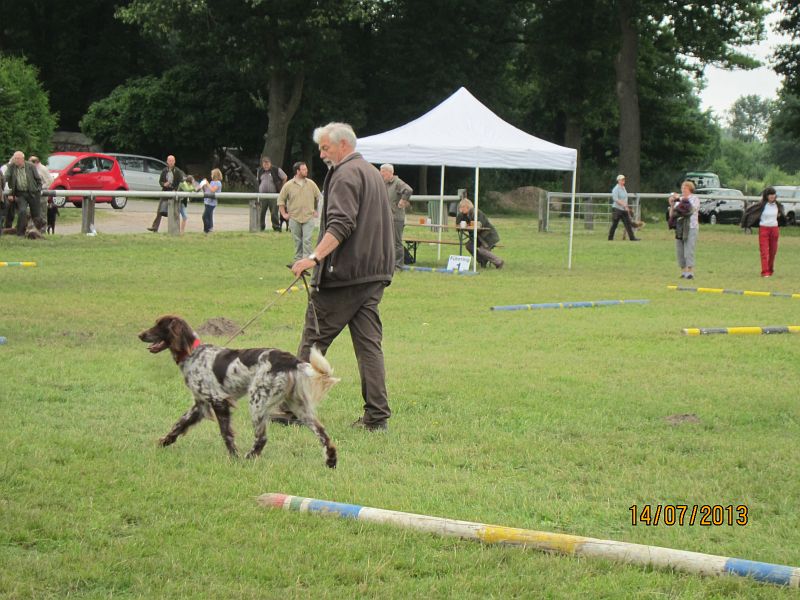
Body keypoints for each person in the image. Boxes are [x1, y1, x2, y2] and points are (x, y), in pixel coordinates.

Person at [284, 122, 394, 432]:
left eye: (325, 148)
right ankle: (377, 417)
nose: (321, 155)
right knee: (369, 346)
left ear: (343, 145)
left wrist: (313, 257)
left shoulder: (345, 174)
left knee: (313, 340)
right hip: (373, 274)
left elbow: (341, 224)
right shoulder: (372, 172)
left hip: (345, 275)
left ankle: (293, 409)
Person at [278, 161, 322, 261]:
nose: (306, 171)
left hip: (308, 217)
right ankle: (298, 261)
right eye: (304, 169)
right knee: (297, 241)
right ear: (298, 171)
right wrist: (284, 214)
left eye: (306, 169)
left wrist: (317, 210)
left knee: (307, 240)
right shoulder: (288, 185)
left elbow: (319, 197)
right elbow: (280, 200)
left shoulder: (311, 184)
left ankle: (307, 261)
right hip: (294, 218)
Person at [741, 186, 786, 277]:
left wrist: (780, 216)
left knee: (773, 252)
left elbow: (782, 215)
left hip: (774, 229)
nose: (772, 196)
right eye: (770, 194)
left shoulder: (778, 205)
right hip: (764, 229)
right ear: (766, 196)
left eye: (773, 194)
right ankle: (765, 272)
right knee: (764, 251)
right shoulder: (761, 205)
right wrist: (746, 224)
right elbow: (749, 212)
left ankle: (770, 269)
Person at [454, 198, 504, 269]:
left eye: (462, 207)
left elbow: (480, 225)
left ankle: (498, 261)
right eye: (460, 207)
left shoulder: (477, 212)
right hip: (477, 237)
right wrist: (460, 214)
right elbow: (457, 225)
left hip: (488, 236)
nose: (461, 209)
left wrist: (469, 225)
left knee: (482, 250)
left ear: (467, 206)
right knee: (469, 245)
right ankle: (482, 260)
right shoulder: (463, 215)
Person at [380, 164, 413, 271]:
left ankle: (398, 266)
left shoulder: (397, 182)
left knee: (396, 242)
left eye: (383, 171)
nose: (381, 173)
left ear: (390, 172)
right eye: (381, 171)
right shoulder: (384, 183)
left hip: (396, 218)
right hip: (385, 218)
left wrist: (403, 200)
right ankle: (387, 264)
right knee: (385, 242)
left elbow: (408, 190)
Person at [5, 151, 44, 236]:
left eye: (17, 158)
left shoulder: (31, 166)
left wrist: (38, 190)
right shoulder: (11, 167)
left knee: (36, 214)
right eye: (15, 158)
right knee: (22, 211)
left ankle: (38, 233)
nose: (15, 160)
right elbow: (6, 177)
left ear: (22, 159)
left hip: (33, 193)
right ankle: (20, 233)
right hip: (20, 194)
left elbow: (38, 180)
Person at [668, 180, 700, 279]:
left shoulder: (695, 199)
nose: (683, 190)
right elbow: (672, 214)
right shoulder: (679, 199)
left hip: (691, 227)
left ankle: (690, 272)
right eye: (682, 188)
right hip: (680, 227)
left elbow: (690, 210)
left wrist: (681, 200)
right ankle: (683, 271)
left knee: (689, 249)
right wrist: (672, 204)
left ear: (690, 189)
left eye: (685, 188)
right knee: (680, 250)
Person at [148, 155, 185, 232]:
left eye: (172, 161)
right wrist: (164, 184)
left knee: (174, 212)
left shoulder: (178, 171)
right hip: (165, 192)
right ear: (167, 161)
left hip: (174, 193)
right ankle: (155, 227)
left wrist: (175, 189)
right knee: (159, 210)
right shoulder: (164, 170)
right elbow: (160, 181)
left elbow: (181, 182)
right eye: (169, 161)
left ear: (174, 162)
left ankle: (175, 229)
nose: (171, 162)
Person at [256, 156, 287, 232]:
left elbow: (285, 177)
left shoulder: (276, 170)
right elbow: (258, 180)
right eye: (264, 164)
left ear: (270, 163)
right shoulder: (259, 171)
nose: (266, 165)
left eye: (267, 163)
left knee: (274, 212)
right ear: (262, 164)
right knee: (261, 212)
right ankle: (261, 227)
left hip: (273, 195)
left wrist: (282, 188)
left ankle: (276, 227)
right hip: (262, 195)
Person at [608, 174, 640, 241]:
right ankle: (610, 238)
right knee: (614, 225)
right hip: (617, 209)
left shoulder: (624, 188)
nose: (623, 180)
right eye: (622, 179)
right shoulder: (616, 189)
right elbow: (616, 199)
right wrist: (624, 205)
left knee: (628, 224)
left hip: (623, 209)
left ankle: (632, 238)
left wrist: (626, 207)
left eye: (624, 179)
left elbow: (625, 199)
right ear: (618, 180)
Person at [201, 169, 223, 234]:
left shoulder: (218, 183)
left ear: (215, 175)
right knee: (209, 216)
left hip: (212, 203)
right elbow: (207, 190)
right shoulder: (212, 182)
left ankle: (206, 230)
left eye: (212, 174)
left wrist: (207, 183)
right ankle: (210, 229)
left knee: (204, 216)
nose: (211, 175)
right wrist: (204, 185)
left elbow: (213, 190)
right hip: (207, 201)